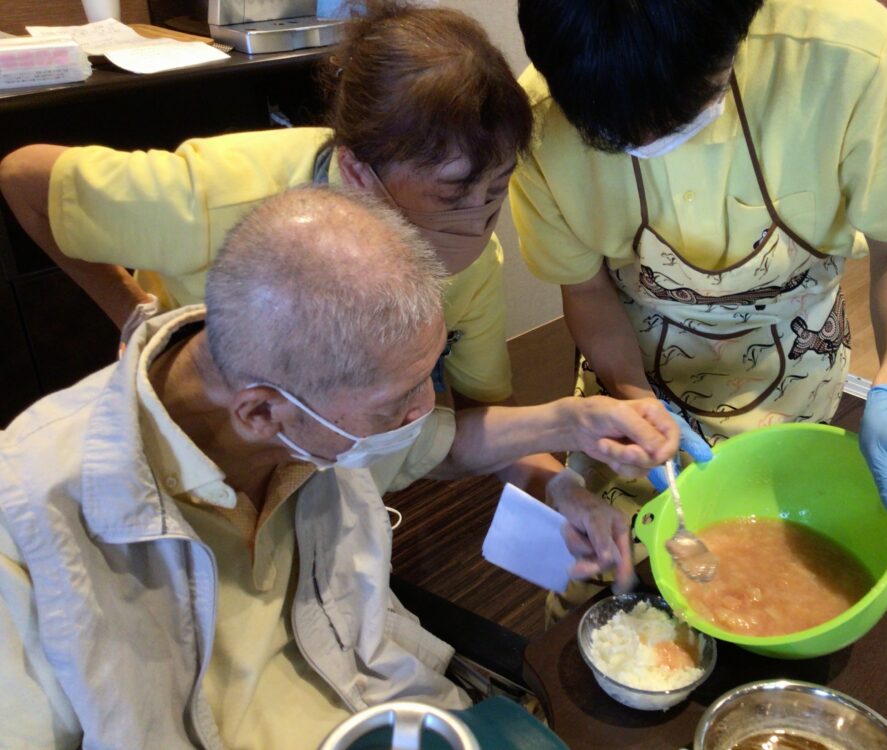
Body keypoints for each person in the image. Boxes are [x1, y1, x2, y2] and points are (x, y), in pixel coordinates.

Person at [0, 186, 679, 750]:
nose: (422, 409)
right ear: (263, 414)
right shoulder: (30, 519)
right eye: (395, 403)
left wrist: (567, 432)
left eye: (428, 376)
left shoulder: (305, 404)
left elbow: (439, 442)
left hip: (394, 701)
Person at [0, 0, 606, 556]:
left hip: (323, 471)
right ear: (358, 172)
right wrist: (133, 312)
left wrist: (561, 489)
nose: (476, 230)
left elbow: (472, 421)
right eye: (450, 199)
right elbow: (23, 177)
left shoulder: (472, 272)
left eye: (495, 196)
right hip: (188, 445)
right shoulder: (212, 196)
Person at [511, 0, 887, 620]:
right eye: (616, 137)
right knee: (600, 602)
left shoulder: (852, 54)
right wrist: (634, 392)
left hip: (793, 380)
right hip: (633, 401)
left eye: (673, 117)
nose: (649, 143)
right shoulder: (539, 114)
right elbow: (586, 290)